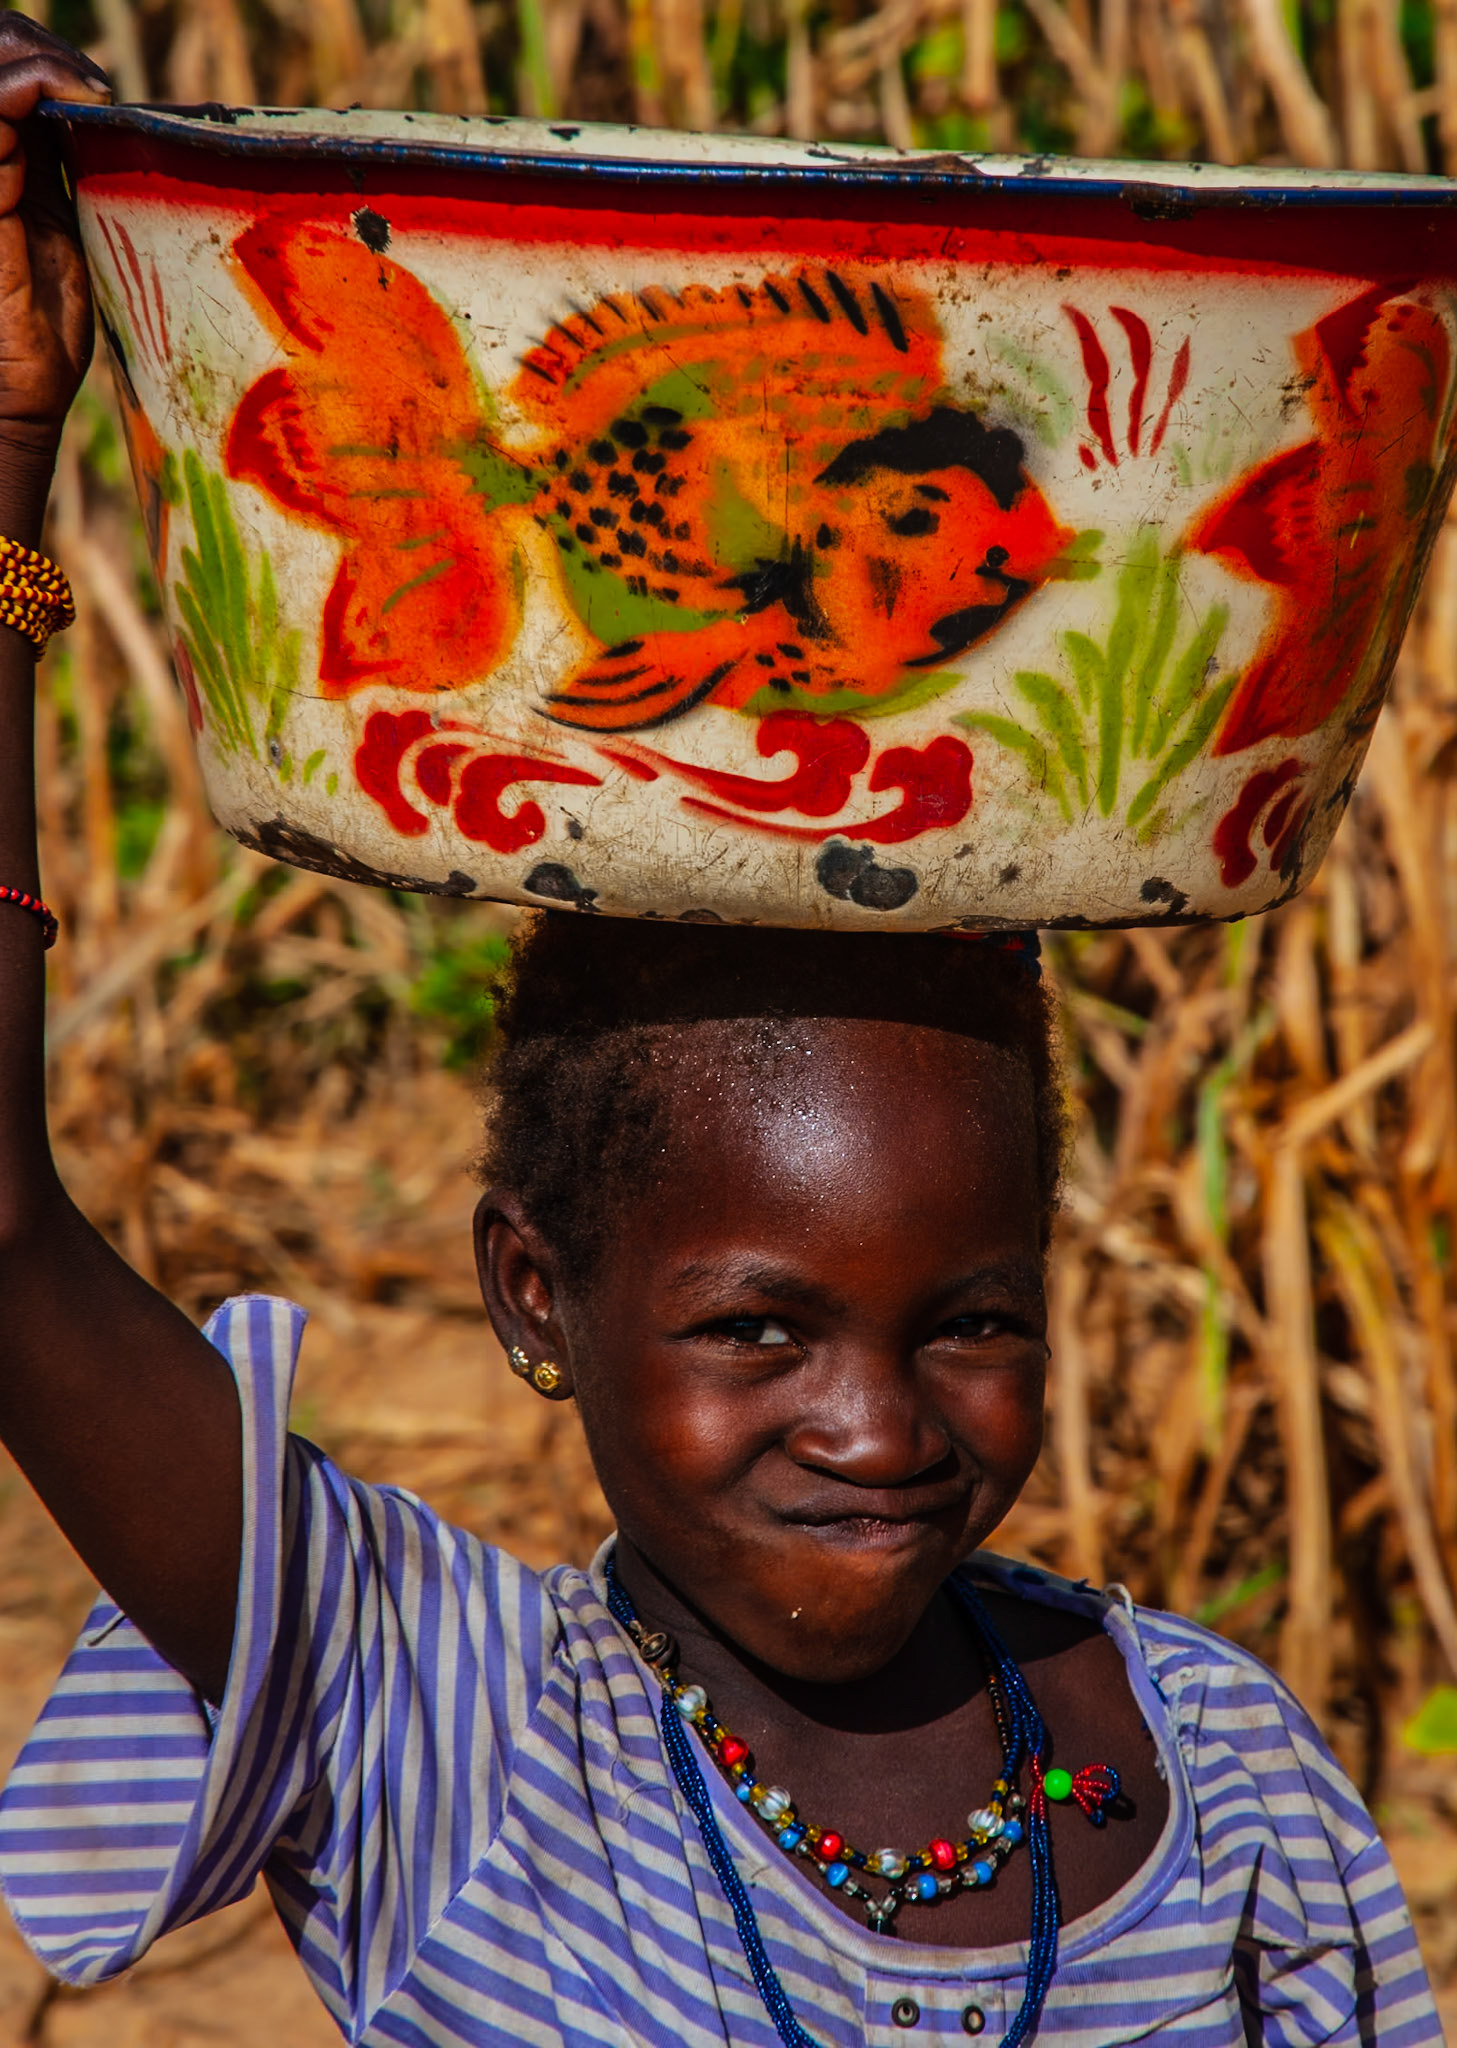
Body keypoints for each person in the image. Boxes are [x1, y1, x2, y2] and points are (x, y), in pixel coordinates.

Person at [0, 15, 1442, 2043]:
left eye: (973, 1317)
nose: (879, 1428)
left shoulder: (1220, 1773)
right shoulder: (445, 1720)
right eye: (758, 1326)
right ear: (536, 1290)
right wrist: (2, 458)